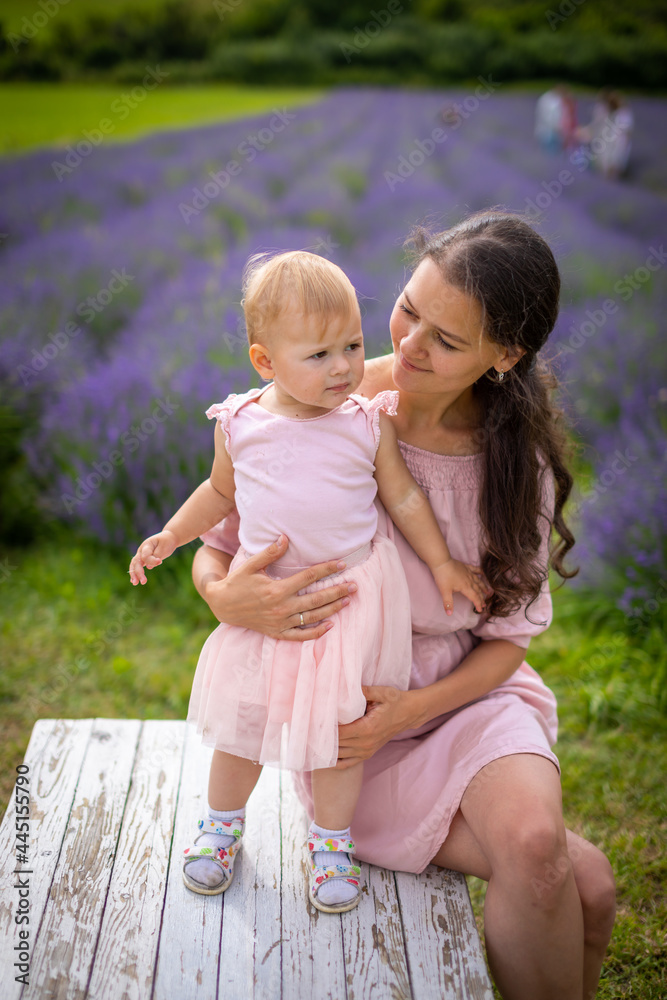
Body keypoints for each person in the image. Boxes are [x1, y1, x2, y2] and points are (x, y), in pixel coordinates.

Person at [192, 212, 617, 999]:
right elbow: (217, 542)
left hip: (464, 696)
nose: (408, 346)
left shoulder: (512, 465)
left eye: (446, 340)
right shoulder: (322, 395)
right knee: (579, 884)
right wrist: (230, 600)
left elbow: (507, 643)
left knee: (541, 849)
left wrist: (413, 706)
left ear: (504, 357)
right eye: (407, 309)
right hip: (350, 719)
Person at [128, 250, 487, 914]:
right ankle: (219, 827)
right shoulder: (241, 423)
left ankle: (330, 843)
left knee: (337, 737)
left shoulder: (363, 420)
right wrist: (171, 536)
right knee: (242, 726)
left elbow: (403, 498)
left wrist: (441, 563)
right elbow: (217, 494)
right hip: (266, 603)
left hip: (345, 605)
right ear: (265, 362)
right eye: (319, 355)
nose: (345, 367)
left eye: (351, 345)